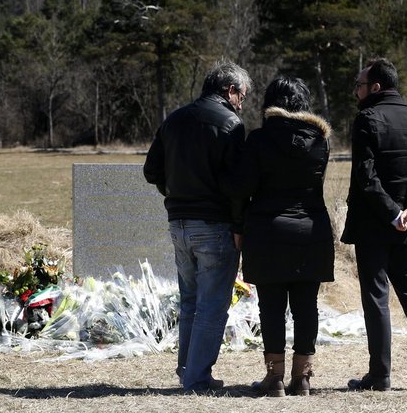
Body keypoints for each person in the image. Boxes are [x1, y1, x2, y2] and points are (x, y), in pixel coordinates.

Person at [143, 61, 251, 393]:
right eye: (242, 96)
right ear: (230, 90)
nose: (242, 103)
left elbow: (151, 172)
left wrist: (173, 193)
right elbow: (237, 185)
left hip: (178, 223)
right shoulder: (231, 124)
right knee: (212, 305)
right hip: (215, 225)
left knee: (189, 300)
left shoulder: (173, 120)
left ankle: (187, 370)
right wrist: (238, 226)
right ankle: (197, 378)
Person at [341, 58, 407, 392]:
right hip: (406, 225)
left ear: (375, 87)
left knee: (376, 297)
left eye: (359, 85)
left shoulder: (366, 121)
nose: (355, 91)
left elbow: (365, 177)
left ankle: (380, 375)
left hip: (374, 225)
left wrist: (393, 213)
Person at [235, 76, 335, 397]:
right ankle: (302, 377)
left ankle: (274, 377)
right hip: (311, 231)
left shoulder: (259, 140)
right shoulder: (321, 142)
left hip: (267, 231)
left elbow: (244, 188)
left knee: (271, 306)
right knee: (308, 306)